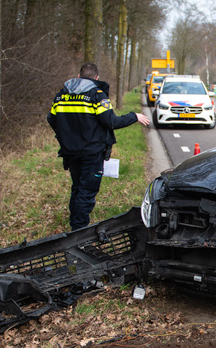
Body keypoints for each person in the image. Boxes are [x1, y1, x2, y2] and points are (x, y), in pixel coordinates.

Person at [47, 63, 150, 230]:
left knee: (77, 187)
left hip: (70, 152)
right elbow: (111, 121)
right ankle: (79, 232)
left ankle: (75, 223)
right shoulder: (97, 95)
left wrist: (66, 136)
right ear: (96, 78)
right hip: (91, 152)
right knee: (86, 192)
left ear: (79, 76)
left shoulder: (61, 95)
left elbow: (51, 119)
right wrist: (134, 116)